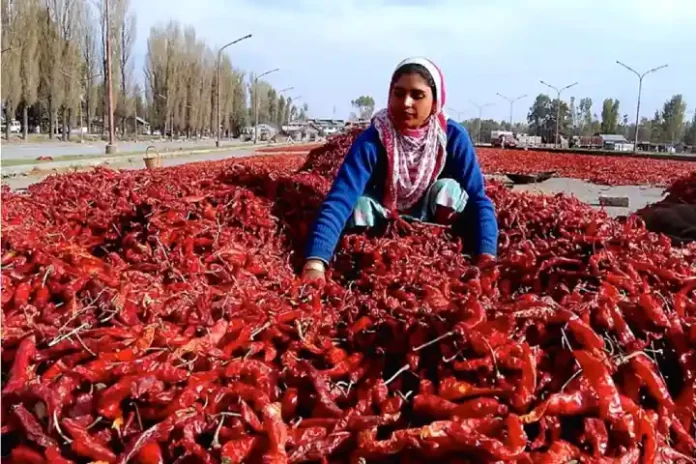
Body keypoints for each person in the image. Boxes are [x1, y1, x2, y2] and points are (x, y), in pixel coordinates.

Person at [302, 57, 498, 281]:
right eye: (399, 93)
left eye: (417, 95)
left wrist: (486, 256)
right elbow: (340, 198)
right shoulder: (374, 138)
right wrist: (315, 262)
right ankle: (373, 248)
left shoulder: (451, 136)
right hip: (384, 214)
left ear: (435, 101)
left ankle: (445, 239)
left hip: (433, 213)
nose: (406, 102)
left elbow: (479, 198)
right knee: (358, 206)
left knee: (449, 191)